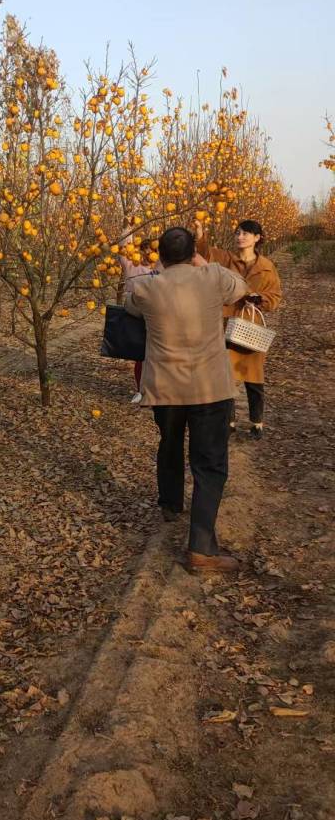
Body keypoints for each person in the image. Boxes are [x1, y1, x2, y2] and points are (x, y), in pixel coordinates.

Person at [125, 226, 249, 573]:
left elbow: (128, 306)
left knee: (170, 442)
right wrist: (201, 261)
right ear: (192, 252)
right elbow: (241, 288)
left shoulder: (146, 287)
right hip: (209, 387)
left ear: (160, 256)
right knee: (209, 465)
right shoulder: (211, 276)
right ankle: (201, 549)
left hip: (166, 388)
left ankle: (170, 503)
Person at [194, 219, 282, 439]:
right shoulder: (225, 259)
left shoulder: (266, 267)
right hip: (226, 323)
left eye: (245, 233)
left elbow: (275, 296)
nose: (240, 237)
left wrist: (260, 298)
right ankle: (229, 420)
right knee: (226, 375)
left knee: (254, 376)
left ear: (257, 237)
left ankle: (257, 422)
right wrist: (199, 233)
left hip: (251, 326)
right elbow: (203, 254)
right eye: (237, 233)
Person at [118, 229, 161, 402]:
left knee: (156, 355)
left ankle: (154, 390)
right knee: (140, 354)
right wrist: (129, 230)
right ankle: (140, 390)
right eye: (145, 251)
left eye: (152, 252)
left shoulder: (160, 268)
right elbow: (123, 247)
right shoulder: (131, 265)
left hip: (156, 315)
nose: (148, 255)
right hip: (136, 313)